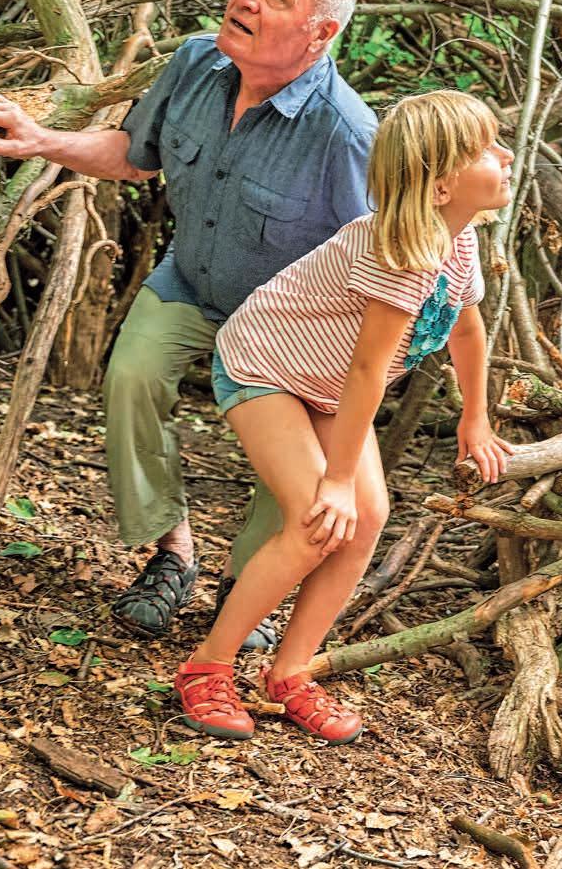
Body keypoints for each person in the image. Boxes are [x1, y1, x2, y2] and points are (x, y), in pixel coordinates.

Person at [0, 0, 376, 649]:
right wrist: (41, 139)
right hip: (192, 280)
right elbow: (132, 156)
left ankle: (249, 587)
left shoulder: (347, 133)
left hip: (291, 327)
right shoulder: (195, 62)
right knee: (131, 376)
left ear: (320, 33)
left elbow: (378, 264)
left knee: (290, 458)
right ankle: (171, 551)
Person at [172, 90, 515, 744]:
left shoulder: (460, 238)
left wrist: (475, 417)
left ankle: (290, 671)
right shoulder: (402, 252)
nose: (506, 156)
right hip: (266, 368)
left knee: (366, 519)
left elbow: (467, 331)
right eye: (485, 149)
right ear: (441, 185)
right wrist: (333, 480)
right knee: (317, 521)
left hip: (327, 385)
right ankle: (206, 667)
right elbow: (367, 372)